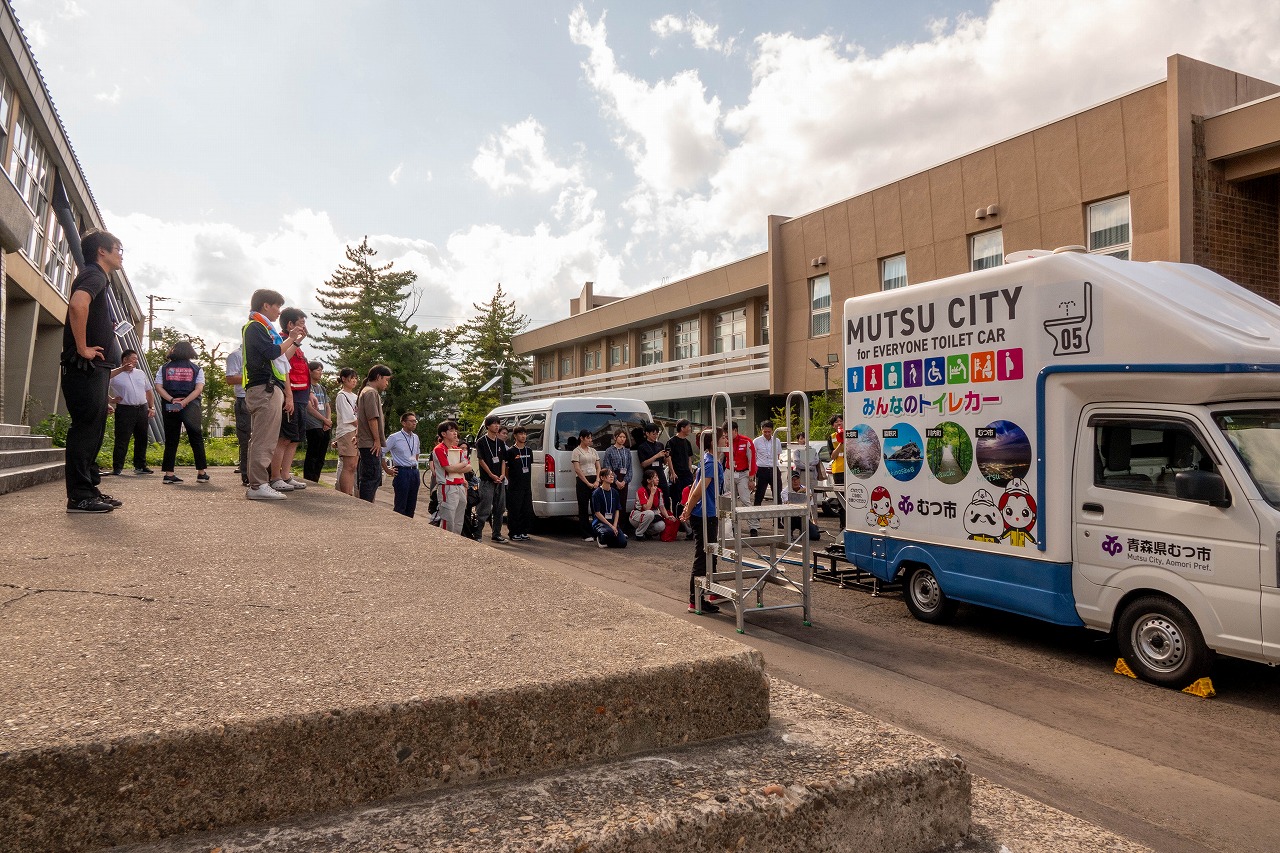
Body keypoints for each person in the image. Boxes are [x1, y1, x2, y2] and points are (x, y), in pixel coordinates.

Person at [61, 229, 124, 513]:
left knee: (93, 430)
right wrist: (83, 346)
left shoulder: (98, 277)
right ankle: (79, 496)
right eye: (118, 249)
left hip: (95, 369)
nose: (120, 255)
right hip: (86, 365)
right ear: (102, 251)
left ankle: (89, 488)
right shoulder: (94, 274)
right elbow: (77, 304)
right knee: (85, 431)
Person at [242, 288, 305, 501]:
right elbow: (272, 353)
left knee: (266, 438)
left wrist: (294, 341)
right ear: (265, 305)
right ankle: (258, 484)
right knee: (264, 439)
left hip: (269, 388)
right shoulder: (255, 327)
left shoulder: (266, 330)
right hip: (264, 388)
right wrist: (290, 340)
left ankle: (259, 483)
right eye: (277, 306)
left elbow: (281, 359)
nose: (279, 311)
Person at [679, 431, 725, 614]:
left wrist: (687, 507)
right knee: (703, 556)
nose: (726, 440)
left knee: (711, 554)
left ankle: (711, 591)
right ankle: (695, 600)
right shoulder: (710, 463)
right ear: (713, 442)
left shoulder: (709, 459)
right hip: (706, 514)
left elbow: (694, 488)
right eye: (723, 438)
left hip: (708, 512)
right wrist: (688, 510)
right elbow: (698, 490)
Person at [154, 340, 210, 485]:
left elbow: (158, 387)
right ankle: (201, 473)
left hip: (170, 405)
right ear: (190, 351)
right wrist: (185, 402)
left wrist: (172, 400)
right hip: (191, 406)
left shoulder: (164, 368)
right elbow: (198, 389)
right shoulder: (197, 369)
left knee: (171, 439)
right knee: (196, 438)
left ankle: (169, 474)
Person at [270, 308, 310, 493]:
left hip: (301, 395)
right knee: (284, 438)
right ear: (290, 325)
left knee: (295, 439)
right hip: (290, 394)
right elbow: (284, 363)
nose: (303, 326)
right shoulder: (280, 340)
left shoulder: (295, 343)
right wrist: (289, 396)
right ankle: (275, 476)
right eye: (300, 323)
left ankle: (285, 475)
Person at [106, 349, 155, 476]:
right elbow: (102, 383)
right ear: (125, 359)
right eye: (133, 358)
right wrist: (110, 400)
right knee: (122, 439)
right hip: (125, 409)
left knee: (142, 438)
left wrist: (152, 407)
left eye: (137, 359)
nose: (136, 361)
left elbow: (149, 391)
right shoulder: (116, 374)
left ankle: (140, 466)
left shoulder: (140, 373)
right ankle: (117, 467)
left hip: (142, 408)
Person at [356, 364, 392, 502]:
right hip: (370, 443)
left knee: (372, 476)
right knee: (371, 477)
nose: (386, 383)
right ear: (378, 377)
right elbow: (372, 418)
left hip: (366, 441)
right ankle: (366, 506)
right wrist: (377, 440)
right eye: (386, 380)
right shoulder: (371, 392)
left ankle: (368, 503)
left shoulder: (366, 391)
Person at [431, 420, 470, 535]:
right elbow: (448, 468)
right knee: (448, 518)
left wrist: (458, 466)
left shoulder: (457, 449)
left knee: (459, 519)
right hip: (447, 487)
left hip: (460, 485)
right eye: (451, 430)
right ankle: (446, 543)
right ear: (443, 434)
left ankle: (456, 541)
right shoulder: (439, 449)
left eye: (455, 431)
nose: (455, 433)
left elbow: (468, 467)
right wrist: (462, 465)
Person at [475, 415, 508, 543]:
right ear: (488, 426)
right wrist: (491, 475)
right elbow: (481, 460)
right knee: (484, 509)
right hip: (487, 480)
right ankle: (478, 534)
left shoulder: (500, 442)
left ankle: (497, 534)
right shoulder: (481, 442)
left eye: (498, 423)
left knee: (500, 509)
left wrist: (502, 474)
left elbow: (503, 460)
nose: (496, 426)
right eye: (494, 423)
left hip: (499, 480)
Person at [384, 412, 422, 517]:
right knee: (401, 505)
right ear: (404, 423)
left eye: (415, 421)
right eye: (412, 421)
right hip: (402, 472)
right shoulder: (394, 437)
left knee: (411, 504)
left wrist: (414, 464)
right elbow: (382, 452)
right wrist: (387, 469)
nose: (414, 423)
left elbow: (417, 453)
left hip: (414, 471)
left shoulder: (416, 437)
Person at [224, 345, 251, 486]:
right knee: (246, 438)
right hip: (244, 399)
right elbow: (230, 378)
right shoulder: (236, 355)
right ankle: (246, 474)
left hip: (262, 398)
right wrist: (253, 377)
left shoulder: (261, 353)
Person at [302, 361, 332, 483]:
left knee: (321, 454)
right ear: (310, 371)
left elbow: (327, 405)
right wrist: (324, 419)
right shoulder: (307, 387)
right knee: (313, 452)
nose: (320, 373)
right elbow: (309, 408)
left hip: (324, 424)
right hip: (313, 423)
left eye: (321, 370)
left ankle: (316, 478)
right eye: (318, 370)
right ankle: (309, 478)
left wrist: (328, 420)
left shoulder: (322, 388)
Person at [332, 367, 359, 496]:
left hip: (357, 431)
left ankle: (350, 492)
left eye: (355, 378)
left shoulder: (355, 396)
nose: (354, 381)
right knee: (349, 465)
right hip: (347, 432)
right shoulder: (341, 396)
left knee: (354, 466)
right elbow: (350, 417)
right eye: (351, 378)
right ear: (343, 379)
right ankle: (346, 494)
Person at [505, 426, 534, 541]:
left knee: (526, 509)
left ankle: (523, 531)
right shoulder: (511, 451)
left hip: (526, 485)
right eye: (520, 434)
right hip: (515, 486)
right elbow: (507, 468)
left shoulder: (529, 451)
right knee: (514, 510)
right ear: (515, 436)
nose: (523, 436)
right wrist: (510, 480)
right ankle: (514, 532)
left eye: (524, 434)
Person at [571, 428, 600, 541]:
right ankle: (585, 533)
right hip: (583, 480)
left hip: (594, 478)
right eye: (587, 438)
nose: (590, 440)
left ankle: (597, 530)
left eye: (590, 437)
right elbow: (577, 469)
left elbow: (598, 466)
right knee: (583, 507)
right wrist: (587, 483)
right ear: (581, 438)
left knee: (595, 507)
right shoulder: (576, 451)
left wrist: (597, 480)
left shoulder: (593, 451)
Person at [636, 422, 670, 512]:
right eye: (653, 434)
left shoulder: (660, 445)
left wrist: (666, 456)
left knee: (665, 495)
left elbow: (665, 462)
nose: (655, 436)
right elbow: (643, 464)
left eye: (657, 434)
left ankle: (667, 517)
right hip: (649, 475)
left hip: (660, 474)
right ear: (647, 434)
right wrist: (656, 456)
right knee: (651, 497)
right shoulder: (642, 447)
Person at [591, 467, 627, 548]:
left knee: (623, 543)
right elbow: (597, 512)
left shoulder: (615, 492)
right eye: (609, 475)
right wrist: (611, 526)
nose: (612, 477)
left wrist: (614, 525)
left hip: (612, 523)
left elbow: (617, 509)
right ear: (602, 477)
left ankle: (609, 540)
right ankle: (600, 538)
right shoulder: (596, 493)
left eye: (612, 475)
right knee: (608, 532)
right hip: (600, 523)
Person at [630, 468, 671, 540]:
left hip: (649, 516)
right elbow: (646, 508)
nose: (657, 479)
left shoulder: (659, 491)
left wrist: (667, 516)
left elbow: (661, 506)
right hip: (637, 515)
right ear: (648, 480)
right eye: (655, 477)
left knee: (661, 525)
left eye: (657, 477)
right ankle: (639, 533)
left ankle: (647, 532)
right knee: (650, 513)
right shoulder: (641, 490)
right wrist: (652, 494)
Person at [666, 419, 695, 515]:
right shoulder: (671, 441)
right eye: (688, 427)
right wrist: (672, 472)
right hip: (677, 474)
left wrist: (690, 470)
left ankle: (687, 517)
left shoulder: (687, 442)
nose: (690, 429)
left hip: (686, 473)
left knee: (689, 495)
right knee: (676, 497)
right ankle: (677, 519)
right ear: (682, 428)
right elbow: (668, 458)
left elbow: (689, 458)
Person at [602, 428, 633, 508]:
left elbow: (630, 467)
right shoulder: (609, 450)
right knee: (613, 502)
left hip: (624, 478)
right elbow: (607, 466)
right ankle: (614, 520)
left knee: (623, 502)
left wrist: (624, 481)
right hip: (613, 478)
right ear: (615, 437)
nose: (622, 439)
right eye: (620, 437)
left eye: (624, 437)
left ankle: (622, 520)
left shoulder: (627, 451)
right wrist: (616, 481)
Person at [752, 419, 781, 506]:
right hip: (762, 469)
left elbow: (778, 455)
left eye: (769, 431)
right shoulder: (756, 441)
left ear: (772, 430)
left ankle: (778, 518)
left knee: (777, 494)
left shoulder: (777, 441)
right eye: (765, 432)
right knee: (759, 494)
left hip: (774, 468)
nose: (767, 434)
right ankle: (756, 518)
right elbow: (754, 456)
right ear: (761, 430)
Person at [781, 470, 815, 540]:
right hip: (790, 516)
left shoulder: (807, 490)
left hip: (803, 516)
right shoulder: (784, 492)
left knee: (815, 536)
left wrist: (809, 498)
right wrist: (799, 494)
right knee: (789, 518)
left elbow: (809, 506)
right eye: (793, 480)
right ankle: (789, 531)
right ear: (788, 481)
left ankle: (805, 529)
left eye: (797, 479)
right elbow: (789, 504)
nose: (795, 481)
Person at [828, 414, 846, 525]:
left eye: (841, 421)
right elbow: (832, 456)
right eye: (836, 422)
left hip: (851, 470)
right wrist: (841, 442)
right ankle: (843, 524)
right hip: (839, 470)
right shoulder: (832, 437)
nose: (839, 423)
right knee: (841, 500)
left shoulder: (851, 434)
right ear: (833, 425)